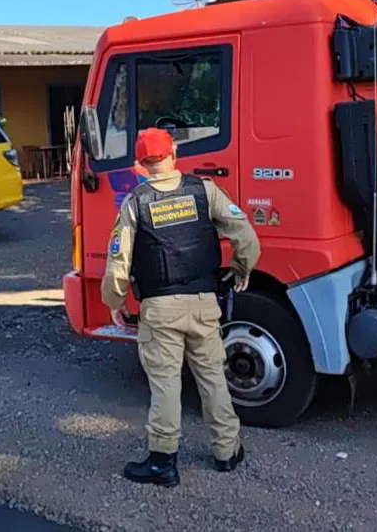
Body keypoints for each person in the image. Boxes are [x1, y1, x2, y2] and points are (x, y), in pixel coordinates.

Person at [101, 127, 261, 487]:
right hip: (205, 305)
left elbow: (119, 259)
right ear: (174, 153)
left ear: (141, 164)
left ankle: (162, 463)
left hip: (160, 310)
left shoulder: (135, 202)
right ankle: (227, 451)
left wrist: (114, 300)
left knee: (165, 384)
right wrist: (241, 268)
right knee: (213, 378)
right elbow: (245, 235)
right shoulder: (204, 190)